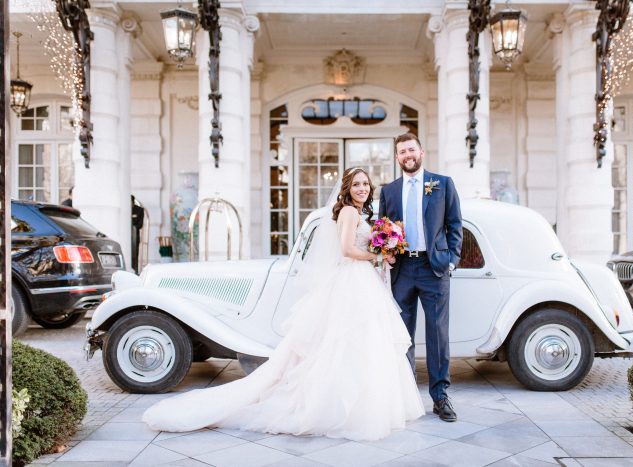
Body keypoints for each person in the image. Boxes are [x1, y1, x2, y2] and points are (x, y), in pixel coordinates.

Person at [142, 167, 424, 440]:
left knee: (356, 342)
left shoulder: (359, 212)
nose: (362, 188)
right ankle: (344, 406)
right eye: (356, 184)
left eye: (365, 184)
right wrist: (376, 256)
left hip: (358, 280)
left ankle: (361, 403)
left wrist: (381, 249)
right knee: (345, 342)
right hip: (353, 277)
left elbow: (355, 248)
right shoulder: (350, 212)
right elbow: (347, 249)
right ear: (347, 190)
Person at [379, 132, 463, 422]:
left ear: (421, 152)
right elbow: (382, 230)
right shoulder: (388, 191)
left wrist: (451, 261)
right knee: (402, 336)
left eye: (410, 149)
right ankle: (405, 397)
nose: (407, 155)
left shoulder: (442, 184)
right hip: (402, 270)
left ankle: (440, 398)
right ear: (397, 157)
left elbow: (455, 224)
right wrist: (385, 255)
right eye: (401, 152)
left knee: (438, 335)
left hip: (434, 268)